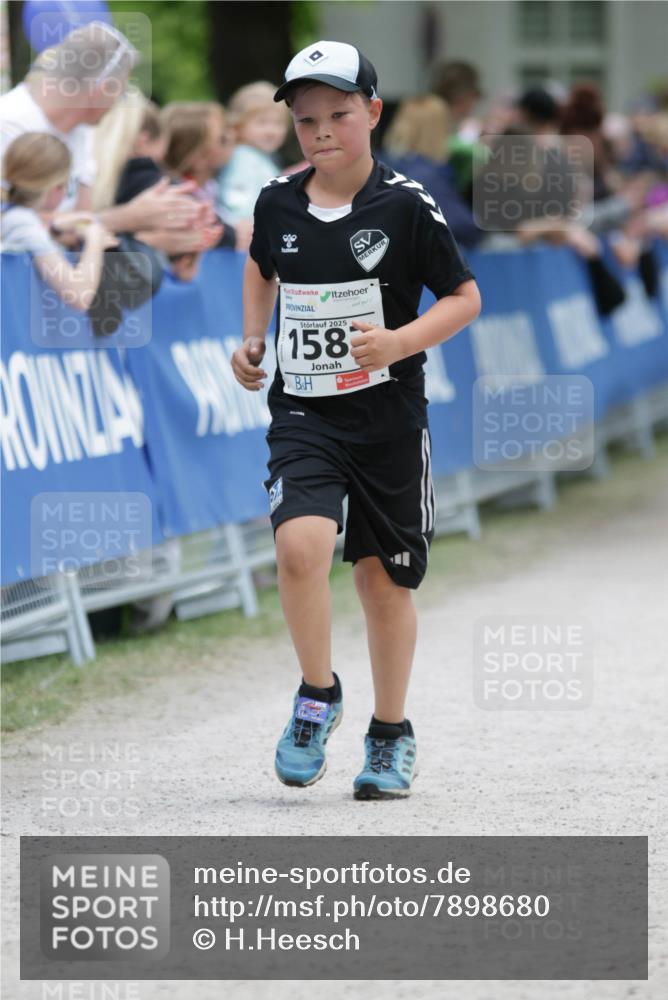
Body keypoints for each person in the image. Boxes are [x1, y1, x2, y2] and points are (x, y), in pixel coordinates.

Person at [231, 40, 480, 799]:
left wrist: (401, 340)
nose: (322, 133)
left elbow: (465, 298)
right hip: (305, 411)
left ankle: (390, 734)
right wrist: (250, 338)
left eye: (339, 115)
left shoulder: (406, 204)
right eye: (307, 121)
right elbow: (259, 264)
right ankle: (317, 695)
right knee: (300, 547)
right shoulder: (277, 199)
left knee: (382, 581)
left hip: (389, 420)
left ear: (373, 112)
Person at [0, 132, 116, 310]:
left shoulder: (13, 215)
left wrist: (54, 227)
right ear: (57, 188)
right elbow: (79, 295)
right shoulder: (22, 222)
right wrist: (95, 240)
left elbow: (29, 239)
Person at [218, 81, 289, 223]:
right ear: (238, 125)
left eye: (278, 123)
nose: (271, 131)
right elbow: (238, 204)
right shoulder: (242, 159)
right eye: (262, 122)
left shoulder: (262, 157)